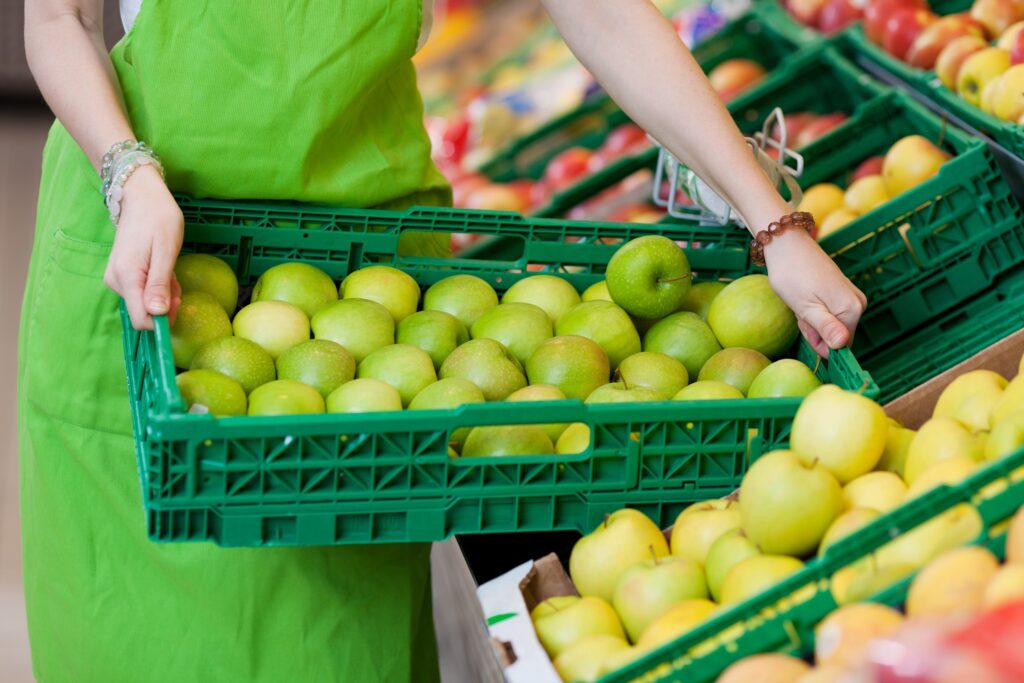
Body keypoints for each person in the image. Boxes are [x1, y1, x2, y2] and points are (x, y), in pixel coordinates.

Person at [19, 0, 866, 680]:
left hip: (362, 296)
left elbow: (600, 11)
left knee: (332, 646)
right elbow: (58, 22)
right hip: (151, 267)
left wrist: (773, 223)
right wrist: (128, 172)